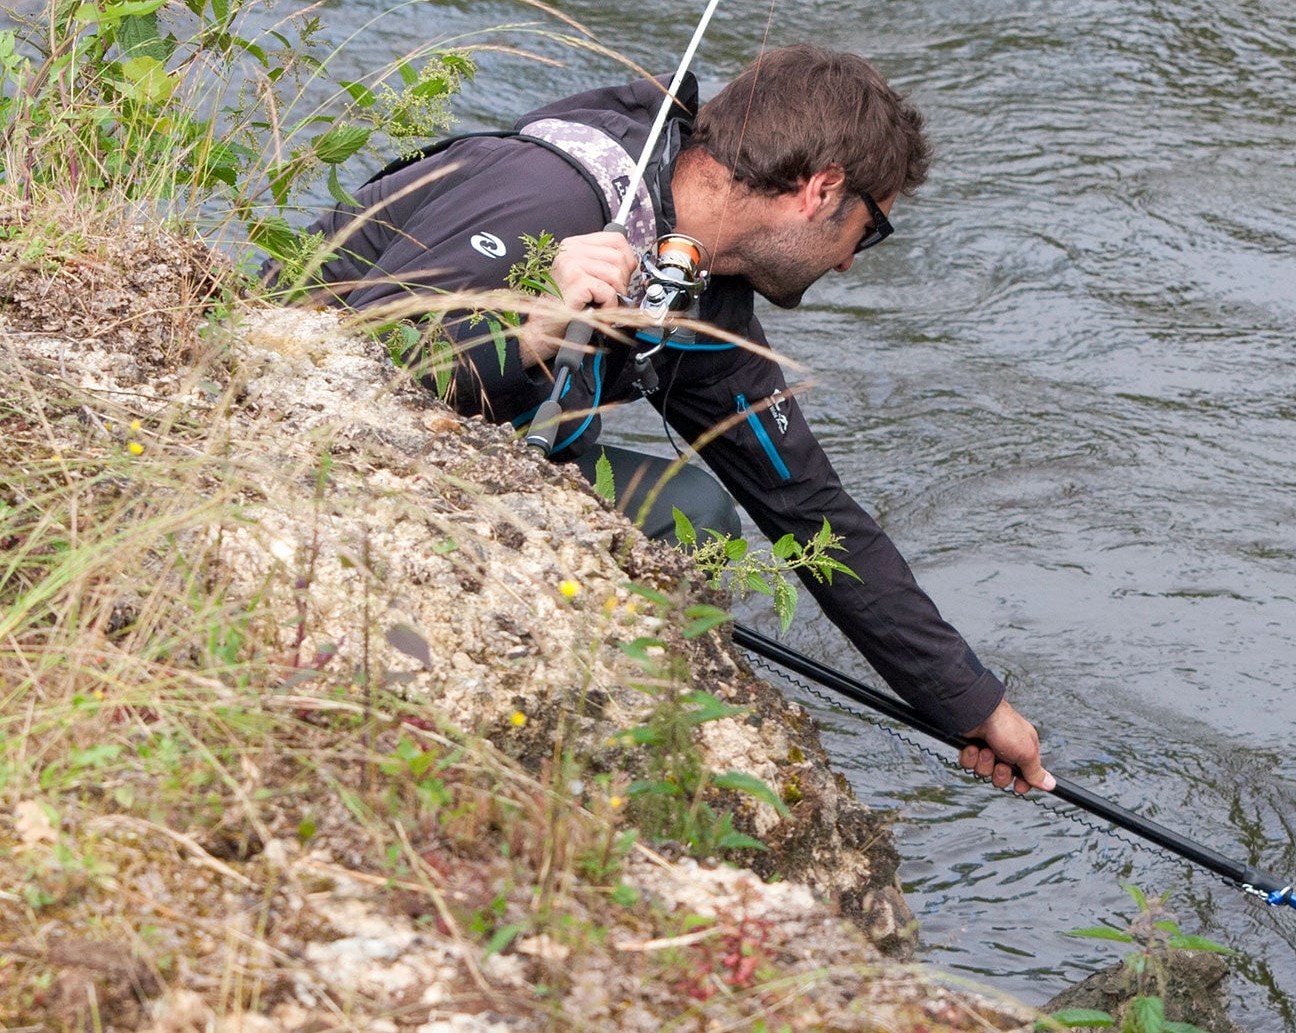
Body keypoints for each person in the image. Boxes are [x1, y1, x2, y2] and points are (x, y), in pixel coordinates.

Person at [306, 44, 1052, 796]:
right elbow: (334, 363)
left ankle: (577, 758)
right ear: (822, 191)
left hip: (478, 465)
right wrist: (529, 335)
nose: (854, 261)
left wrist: (972, 703)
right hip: (309, 457)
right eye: (872, 228)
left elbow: (809, 507)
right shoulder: (547, 195)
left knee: (693, 516)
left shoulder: (701, 288)